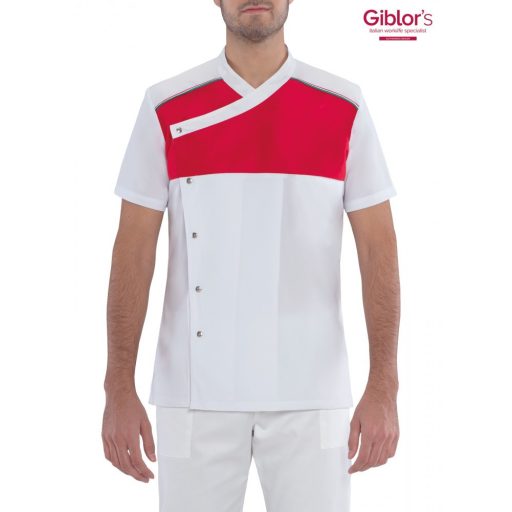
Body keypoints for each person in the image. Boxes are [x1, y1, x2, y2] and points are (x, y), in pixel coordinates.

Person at [102, 1, 400, 510]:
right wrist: (117, 388)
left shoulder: (342, 106)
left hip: (312, 394)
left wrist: (384, 387)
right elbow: (133, 250)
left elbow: (378, 250)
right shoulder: (166, 106)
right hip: (194, 395)